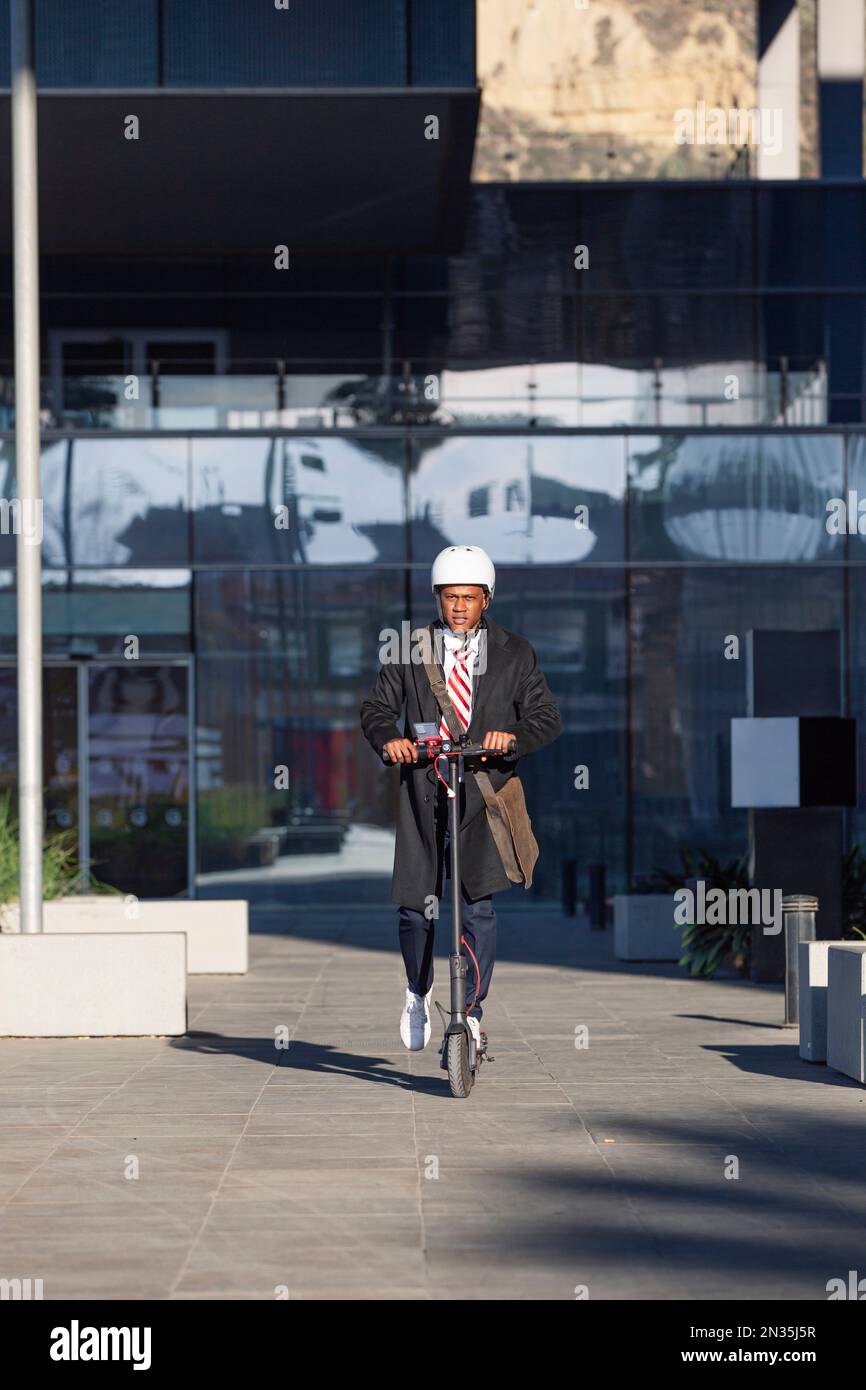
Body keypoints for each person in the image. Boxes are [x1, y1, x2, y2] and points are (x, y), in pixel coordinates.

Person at [359, 544, 562, 1060]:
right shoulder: (411, 648)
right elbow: (377, 708)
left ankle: (471, 1013)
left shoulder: (515, 653)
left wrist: (509, 737)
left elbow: (546, 719)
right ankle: (417, 990)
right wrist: (390, 740)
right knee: (414, 908)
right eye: (450, 598)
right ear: (437, 597)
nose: (459, 608)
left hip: (482, 798)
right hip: (423, 793)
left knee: (478, 908)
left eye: (470, 598)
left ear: (487, 599)